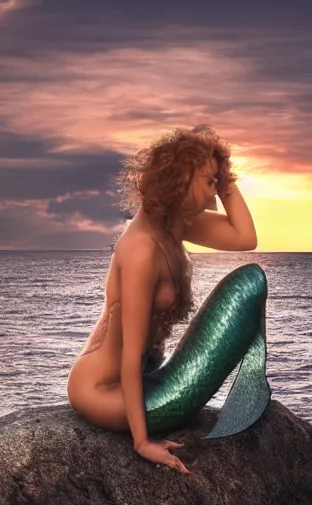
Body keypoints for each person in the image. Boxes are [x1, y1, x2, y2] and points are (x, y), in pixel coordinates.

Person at [66, 126, 270, 475]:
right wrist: (142, 441)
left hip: (146, 374)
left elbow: (245, 237)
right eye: (209, 182)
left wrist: (224, 176)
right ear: (181, 181)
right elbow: (129, 356)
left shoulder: (175, 225)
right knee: (250, 284)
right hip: (102, 389)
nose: (213, 194)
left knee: (252, 277)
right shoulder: (141, 250)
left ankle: (251, 391)